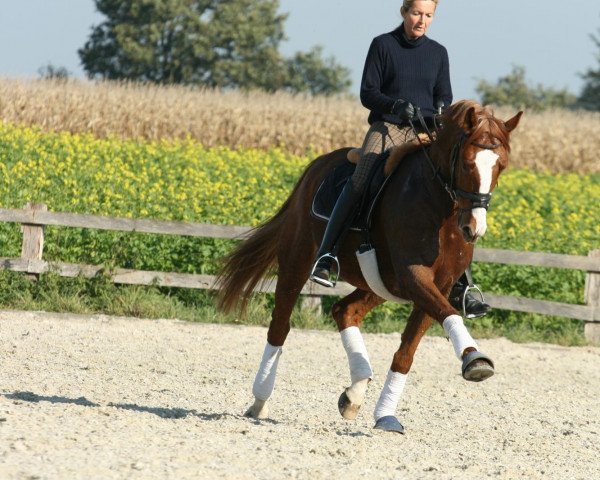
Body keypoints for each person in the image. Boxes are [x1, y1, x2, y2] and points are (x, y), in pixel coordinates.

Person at [309, 0, 490, 318]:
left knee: (451, 191)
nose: (422, 20)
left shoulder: (438, 53)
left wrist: (437, 111)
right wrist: (396, 106)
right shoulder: (383, 45)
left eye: (429, 15)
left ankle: (462, 284)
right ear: (404, 12)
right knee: (361, 178)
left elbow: (444, 96)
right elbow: (368, 92)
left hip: (424, 132)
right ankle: (327, 256)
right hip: (388, 128)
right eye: (417, 13)